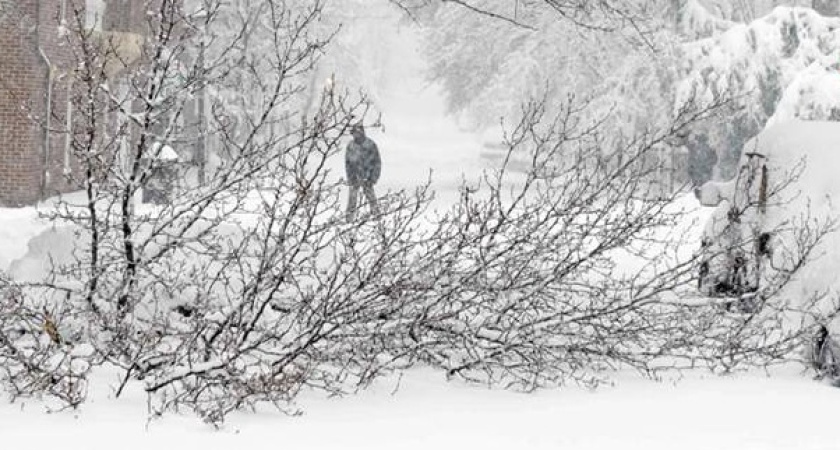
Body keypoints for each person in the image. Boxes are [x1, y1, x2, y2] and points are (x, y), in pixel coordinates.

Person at [344, 124, 381, 220]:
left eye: (356, 133)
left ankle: (377, 216)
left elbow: (377, 163)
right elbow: (348, 164)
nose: (354, 135)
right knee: (352, 199)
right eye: (353, 133)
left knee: (371, 198)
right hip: (354, 177)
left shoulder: (371, 145)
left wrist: (373, 178)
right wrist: (350, 177)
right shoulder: (350, 146)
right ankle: (349, 219)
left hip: (367, 177)